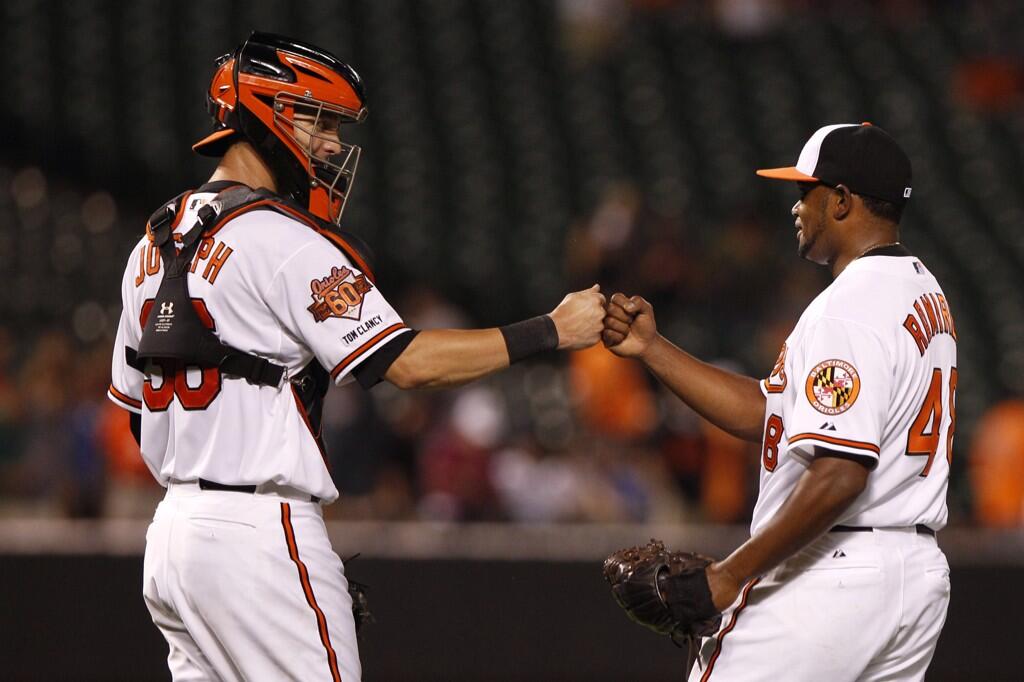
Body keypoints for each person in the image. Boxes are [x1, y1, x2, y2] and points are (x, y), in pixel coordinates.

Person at [106, 32, 605, 682]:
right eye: (319, 120)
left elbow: (136, 413)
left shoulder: (149, 244)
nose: (334, 145)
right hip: (258, 528)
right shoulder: (283, 237)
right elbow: (407, 363)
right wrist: (553, 330)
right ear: (268, 111)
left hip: (172, 537)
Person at [603, 123, 955, 681]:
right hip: (913, 579)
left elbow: (841, 473)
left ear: (841, 200)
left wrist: (728, 576)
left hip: (832, 569)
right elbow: (772, 412)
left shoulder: (850, 306)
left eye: (805, 191)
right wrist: (652, 348)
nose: (796, 207)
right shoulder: (921, 291)